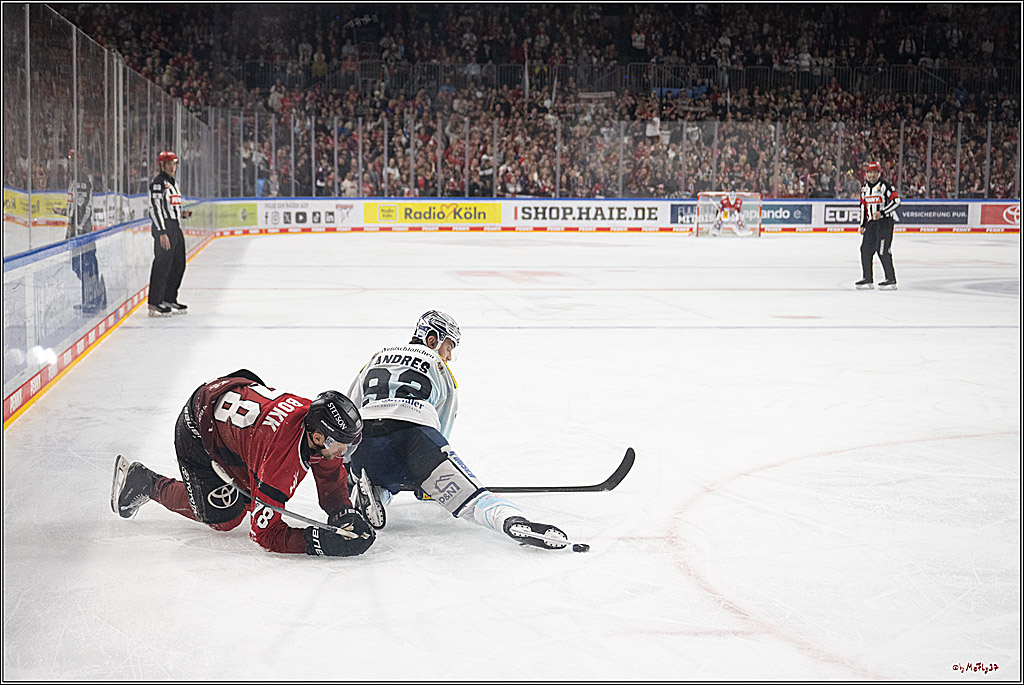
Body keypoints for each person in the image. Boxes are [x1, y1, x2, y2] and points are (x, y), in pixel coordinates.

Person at [345, 311, 570, 550]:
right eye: (449, 346)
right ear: (432, 340)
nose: (450, 356)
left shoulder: (376, 357)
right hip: (413, 435)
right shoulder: (439, 366)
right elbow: (441, 429)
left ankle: (372, 495)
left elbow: (349, 408)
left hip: (364, 438)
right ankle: (510, 521)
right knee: (474, 500)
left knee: (379, 477)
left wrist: (347, 461)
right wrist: (425, 479)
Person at [110, 369, 374, 557]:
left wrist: (343, 512)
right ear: (318, 437)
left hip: (238, 420)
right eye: (343, 444)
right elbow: (265, 534)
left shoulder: (314, 422)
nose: (345, 452)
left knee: (248, 500)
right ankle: (146, 482)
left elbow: (329, 479)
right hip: (199, 427)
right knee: (224, 517)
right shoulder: (280, 462)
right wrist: (320, 543)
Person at [148, 150, 193, 317]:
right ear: (162, 165)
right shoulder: (158, 184)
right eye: (169, 164)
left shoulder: (173, 184)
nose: (172, 167)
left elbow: (172, 206)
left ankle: (169, 297)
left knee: (179, 263)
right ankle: (155, 302)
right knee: (162, 264)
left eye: (174, 164)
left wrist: (182, 214)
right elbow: (155, 209)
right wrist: (161, 232)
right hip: (165, 227)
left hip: (175, 226)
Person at [63, 150, 106, 314]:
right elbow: (75, 207)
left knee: (86, 264)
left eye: (74, 161)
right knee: (78, 265)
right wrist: (63, 212)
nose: (70, 164)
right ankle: (91, 296)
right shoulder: (74, 180)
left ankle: (93, 298)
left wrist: (80, 229)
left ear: (79, 163)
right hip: (76, 230)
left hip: (82, 232)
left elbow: (85, 208)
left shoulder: (81, 181)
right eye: (69, 161)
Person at [856, 161, 900, 290]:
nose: (871, 175)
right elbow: (863, 207)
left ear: (879, 173)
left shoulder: (885, 186)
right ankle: (867, 279)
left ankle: (891, 280)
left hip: (884, 223)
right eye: (869, 172)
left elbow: (896, 201)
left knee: (882, 250)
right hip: (871, 224)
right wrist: (863, 224)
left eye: (874, 172)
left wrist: (882, 212)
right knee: (865, 250)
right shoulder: (864, 189)